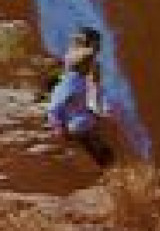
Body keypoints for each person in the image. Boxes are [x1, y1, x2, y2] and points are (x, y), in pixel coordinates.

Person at [46, 27, 115, 168]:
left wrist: (97, 111)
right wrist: (58, 125)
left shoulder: (78, 77)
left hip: (82, 121)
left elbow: (95, 89)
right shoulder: (72, 78)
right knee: (103, 155)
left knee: (102, 154)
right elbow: (56, 104)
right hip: (79, 124)